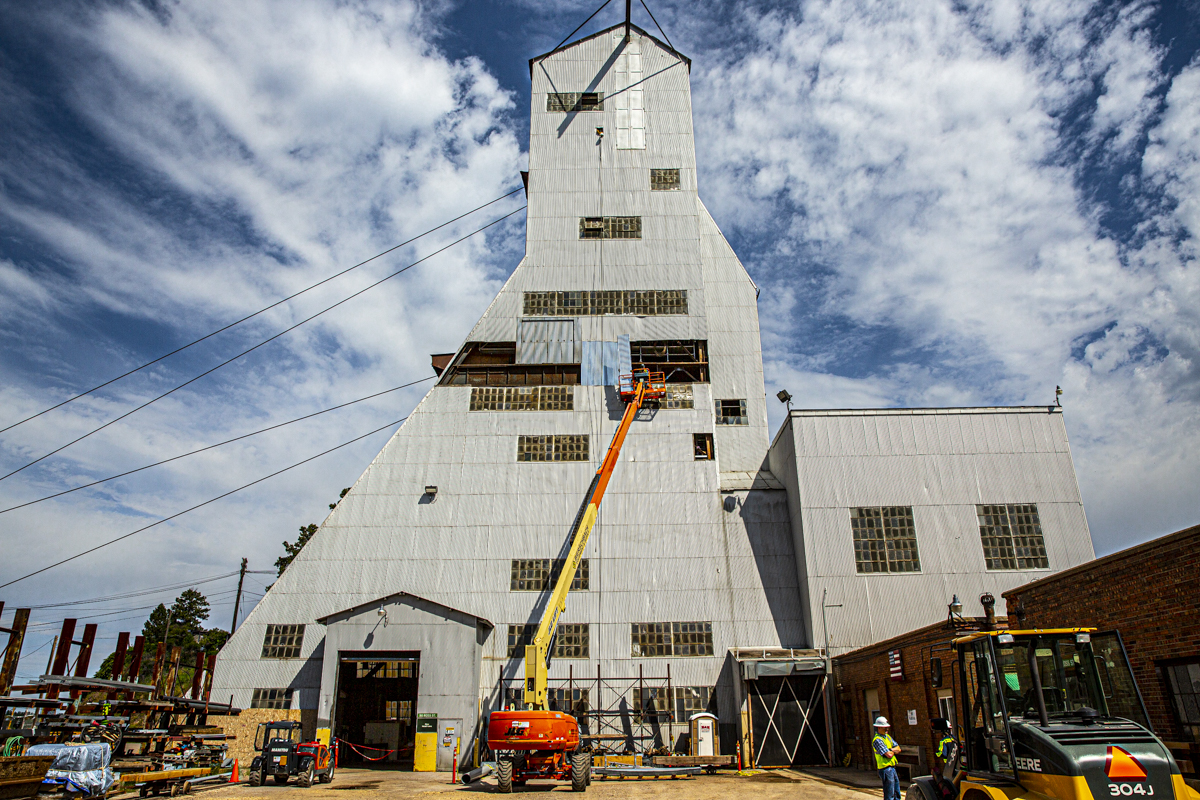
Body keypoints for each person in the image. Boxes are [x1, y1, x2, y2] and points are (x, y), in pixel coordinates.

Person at [872, 717, 902, 800]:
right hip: (885, 769)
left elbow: (899, 749)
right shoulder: (877, 740)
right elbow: (889, 755)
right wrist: (892, 751)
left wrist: (890, 750)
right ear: (879, 727)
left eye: (887, 727)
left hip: (892, 767)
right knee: (890, 794)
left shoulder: (887, 737)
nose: (887, 729)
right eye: (885, 727)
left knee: (896, 792)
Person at [930, 717, 959, 800]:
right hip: (956, 763)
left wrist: (937, 752)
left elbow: (942, 753)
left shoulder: (943, 741)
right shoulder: (954, 738)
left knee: (948, 781)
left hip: (948, 764)